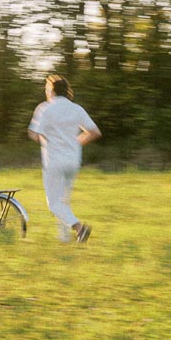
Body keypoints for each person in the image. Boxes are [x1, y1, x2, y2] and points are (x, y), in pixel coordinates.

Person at [28, 73, 101, 243]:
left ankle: (79, 229)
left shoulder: (45, 108)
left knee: (54, 204)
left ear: (51, 90)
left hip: (54, 161)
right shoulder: (76, 109)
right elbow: (95, 132)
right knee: (63, 202)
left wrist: (46, 140)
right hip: (73, 161)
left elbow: (33, 133)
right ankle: (64, 238)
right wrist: (76, 142)